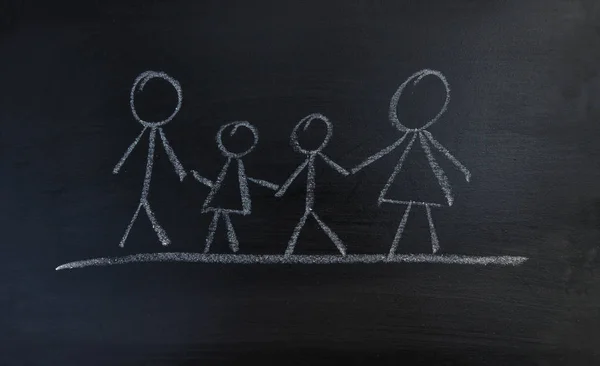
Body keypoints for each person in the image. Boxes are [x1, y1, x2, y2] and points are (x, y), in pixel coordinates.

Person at [352, 69, 471, 257]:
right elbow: (391, 148)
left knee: (420, 211)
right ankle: (423, 248)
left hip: (420, 177)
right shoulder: (417, 136)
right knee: (416, 211)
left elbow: (441, 151)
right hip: (411, 177)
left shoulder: (424, 136)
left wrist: (461, 168)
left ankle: (418, 248)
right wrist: (362, 165)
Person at [113, 71, 187, 247]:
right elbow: (134, 148)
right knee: (142, 199)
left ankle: (148, 236)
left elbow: (168, 151)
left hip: (157, 184)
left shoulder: (154, 131)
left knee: (151, 198)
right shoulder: (146, 132)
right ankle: (140, 236)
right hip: (139, 179)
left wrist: (179, 170)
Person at [191, 121, 279, 253]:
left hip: (227, 196)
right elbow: (224, 182)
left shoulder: (234, 166)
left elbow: (232, 181)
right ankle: (225, 246)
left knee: (220, 218)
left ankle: (216, 246)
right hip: (226, 196)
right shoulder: (232, 165)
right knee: (221, 218)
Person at [275, 113, 349, 256]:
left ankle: (338, 247)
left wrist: (344, 172)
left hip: (320, 198)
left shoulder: (318, 157)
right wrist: (283, 189)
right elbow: (295, 174)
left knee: (313, 220)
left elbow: (331, 165)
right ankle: (338, 247)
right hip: (309, 200)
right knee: (307, 220)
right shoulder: (310, 158)